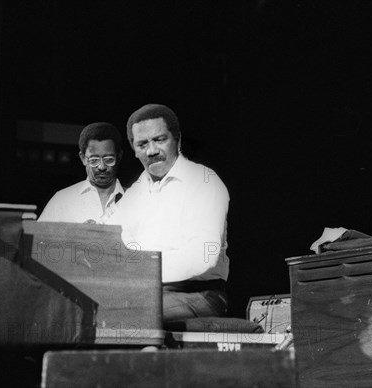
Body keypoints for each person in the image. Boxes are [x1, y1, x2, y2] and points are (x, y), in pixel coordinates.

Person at [109, 104, 230, 325]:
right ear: (134, 150)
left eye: (160, 139)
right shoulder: (132, 195)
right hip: (143, 293)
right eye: (142, 144)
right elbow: (115, 247)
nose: (152, 150)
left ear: (177, 139)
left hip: (199, 295)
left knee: (127, 315)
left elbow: (204, 257)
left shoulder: (204, 181)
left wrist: (138, 271)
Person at [38, 122, 124, 224]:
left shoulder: (135, 199)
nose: (102, 167)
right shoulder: (61, 200)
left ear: (119, 156)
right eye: (94, 160)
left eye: (109, 159)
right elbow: (39, 239)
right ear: (83, 158)